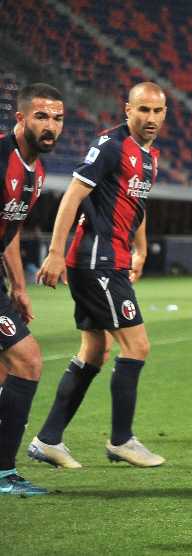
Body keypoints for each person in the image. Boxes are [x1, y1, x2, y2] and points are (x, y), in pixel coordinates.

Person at [28, 82, 167, 469]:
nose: (150, 118)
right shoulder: (110, 145)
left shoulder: (149, 155)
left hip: (114, 259)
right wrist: (55, 252)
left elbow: (135, 204)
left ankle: (48, 439)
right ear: (128, 110)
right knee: (136, 346)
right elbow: (72, 195)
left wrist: (140, 248)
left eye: (157, 112)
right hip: (97, 260)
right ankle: (122, 440)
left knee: (94, 350)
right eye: (143, 110)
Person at [0, 83, 64, 496]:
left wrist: (19, 288)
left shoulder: (34, 172)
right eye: (41, 116)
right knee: (27, 359)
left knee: (6, 369)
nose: (50, 126)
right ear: (20, 118)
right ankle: (4, 474)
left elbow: (10, 230)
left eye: (57, 118)